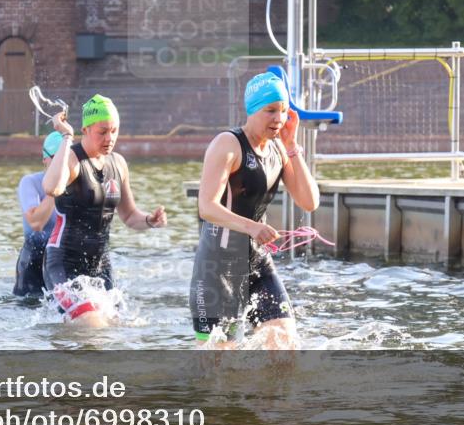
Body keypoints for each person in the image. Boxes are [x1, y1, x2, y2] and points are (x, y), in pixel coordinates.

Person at [189, 71, 320, 348]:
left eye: (283, 111)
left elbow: (310, 202)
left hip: (257, 263)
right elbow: (207, 206)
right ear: (252, 110)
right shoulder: (228, 144)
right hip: (217, 269)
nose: (279, 119)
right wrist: (253, 227)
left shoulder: (278, 149)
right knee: (219, 373)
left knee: (285, 349)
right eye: (270, 110)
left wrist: (292, 146)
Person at [43, 95, 167, 326]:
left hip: (100, 265)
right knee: (92, 325)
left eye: (114, 131)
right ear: (85, 130)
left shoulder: (117, 163)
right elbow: (51, 188)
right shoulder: (72, 159)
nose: (110, 138)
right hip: (64, 262)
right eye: (102, 132)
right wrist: (66, 137)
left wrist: (150, 220)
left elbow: (129, 216)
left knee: (118, 327)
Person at [13, 131, 65, 298]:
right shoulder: (30, 183)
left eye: (64, 159)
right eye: (56, 158)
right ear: (45, 159)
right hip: (34, 259)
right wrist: (54, 189)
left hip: (63, 259)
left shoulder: (77, 184)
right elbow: (36, 223)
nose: (61, 164)